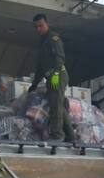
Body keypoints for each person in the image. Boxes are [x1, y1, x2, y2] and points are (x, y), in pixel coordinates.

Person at [28, 13, 74, 142]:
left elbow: (60, 57)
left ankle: (57, 136)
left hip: (58, 76)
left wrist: (56, 74)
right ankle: (71, 136)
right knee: (58, 105)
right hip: (51, 77)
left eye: (41, 26)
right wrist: (35, 84)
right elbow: (40, 67)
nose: (39, 29)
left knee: (56, 107)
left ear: (47, 24)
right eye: (36, 27)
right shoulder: (42, 42)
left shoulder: (53, 38)